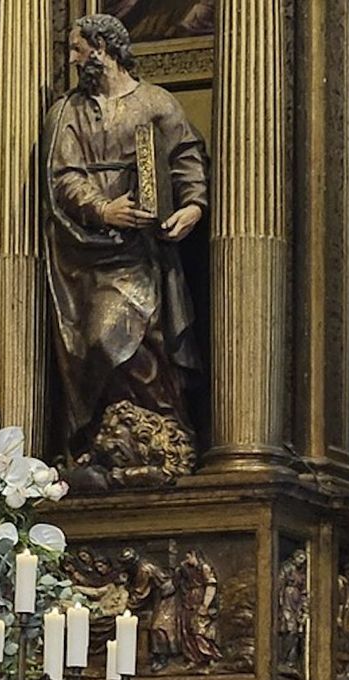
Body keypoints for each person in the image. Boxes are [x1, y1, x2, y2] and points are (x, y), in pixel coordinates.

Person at [43, 13, 208, 456]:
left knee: (138, 339)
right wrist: (103, 209)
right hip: (84, 251)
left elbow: (187, 158)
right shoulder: (66, 112)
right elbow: (63, 177)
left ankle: (162, 430)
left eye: (79, 49)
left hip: (141, 251)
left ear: (103, 49)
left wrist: (192, 206)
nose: (73, 59)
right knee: (93, 342)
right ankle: (106, 435)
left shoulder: (156, 102)